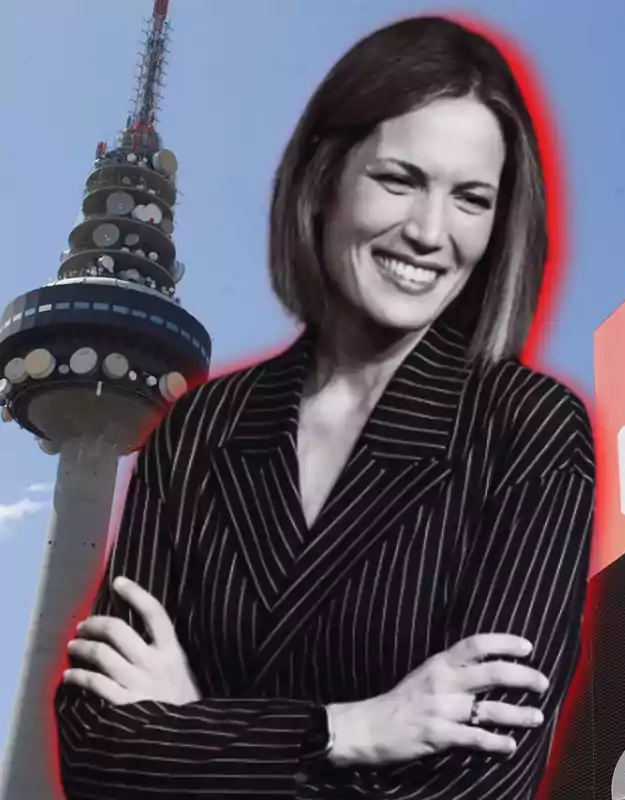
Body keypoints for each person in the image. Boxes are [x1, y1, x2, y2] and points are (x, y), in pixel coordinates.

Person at [53, 16, 594, 800]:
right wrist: (351, 728)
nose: (429, 233)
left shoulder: (529, 431)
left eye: (471, 198)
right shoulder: (206, 430)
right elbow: (99, 754)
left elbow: (475, 786)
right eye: (399, 179)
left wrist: (191, 725)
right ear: (324, 177)